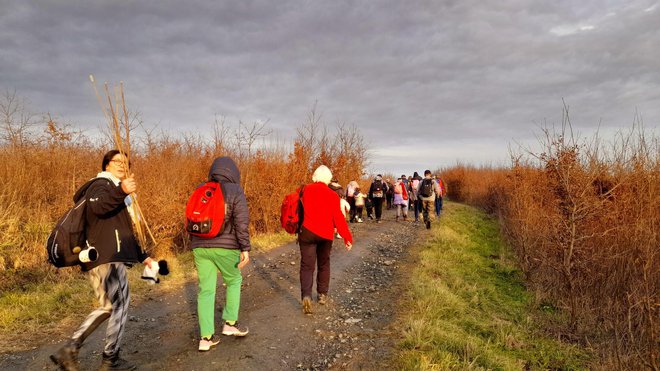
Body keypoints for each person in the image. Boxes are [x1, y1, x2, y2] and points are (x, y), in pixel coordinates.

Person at [50, 149, 156, 371]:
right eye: (116, 161)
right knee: (120, 305)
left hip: (101, 257)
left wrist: (143, 255)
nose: (121, 165)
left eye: (126, 163)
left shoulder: (115, 192)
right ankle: (110, 360)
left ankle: (69, 350)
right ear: (106, 165)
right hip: (107, 257)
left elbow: (123, 230)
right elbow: (98, 207)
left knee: (109, 305)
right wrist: (121, 191)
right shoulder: (100, 185)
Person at [191, 156, 251, 352]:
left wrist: (197, 243)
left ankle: (206, 337)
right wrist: (245, 249)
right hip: (227, 247)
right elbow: (241, 224)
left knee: (206, 290)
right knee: (234, 280)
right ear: (234, 173)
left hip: (200, 247)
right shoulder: (235, 190)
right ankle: (230, 324)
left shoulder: (201, 188)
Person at [298, 165, 353, 314]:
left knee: (306, 266)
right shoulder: (332, 195)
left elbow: (297, 210)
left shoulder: (304, 190)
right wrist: (347, 237)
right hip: (325, 234)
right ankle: (322, 294)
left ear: (315, 176)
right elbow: (338, 218)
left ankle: (306, 297)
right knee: (324, 263)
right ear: (328, 179)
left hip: (307, 232)